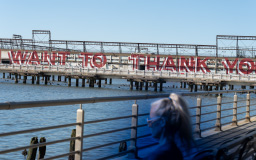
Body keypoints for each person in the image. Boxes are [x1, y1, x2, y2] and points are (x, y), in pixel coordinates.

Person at [143, 93, 195, 160]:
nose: (149, 125)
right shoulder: (175, 151)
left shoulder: (157, 156)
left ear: (162, 122)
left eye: (150, 121)